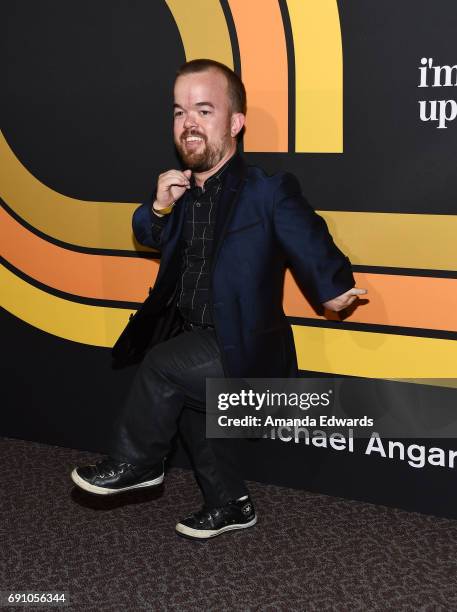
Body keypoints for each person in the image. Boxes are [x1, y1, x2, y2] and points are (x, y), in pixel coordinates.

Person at [71, 59, 366, 540]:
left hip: (245, 347)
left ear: (235, 123)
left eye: (204, 110)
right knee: (192, 415)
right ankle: (230, 503)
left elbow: (311, 241)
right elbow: (147, 233)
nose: (188, 122)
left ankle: (139, 461)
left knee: (164, 367)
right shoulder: (183, 192)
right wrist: (160, 205)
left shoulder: (267, 191)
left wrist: (333, 287)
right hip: (195, 334)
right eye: (179, 111)